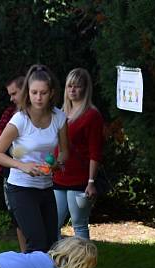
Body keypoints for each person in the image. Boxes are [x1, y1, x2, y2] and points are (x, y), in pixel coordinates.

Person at [0, 64, 69, 253]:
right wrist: (22, 166)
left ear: (51, 93)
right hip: (21, 189)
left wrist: (57, 164)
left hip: (46, 187)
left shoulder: (59, 117)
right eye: (34, 92)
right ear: (28, 92)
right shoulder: (20, 119)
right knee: (37, 242)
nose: (38, 98)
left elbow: (65, 151)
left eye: (43, 93)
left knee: (51, 242)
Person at [53, 68, 104, 240]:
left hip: (80, 180)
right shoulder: (60, 113)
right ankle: (55, 262)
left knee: (79, 224)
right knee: (52, 224)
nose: (72, 90)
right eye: (69, 86)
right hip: (58, 176)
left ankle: (83, 264)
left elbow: (95, 152)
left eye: (77, 86)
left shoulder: (92, 115)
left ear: (85, 88)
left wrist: (91, 182)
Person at [0, 75, 27, 252]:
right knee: (17, 216)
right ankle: (24, 255)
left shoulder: (43, 116)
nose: (12, 98)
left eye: (14, 93)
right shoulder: (11, 114)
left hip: (37, 177)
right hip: (12, 173)